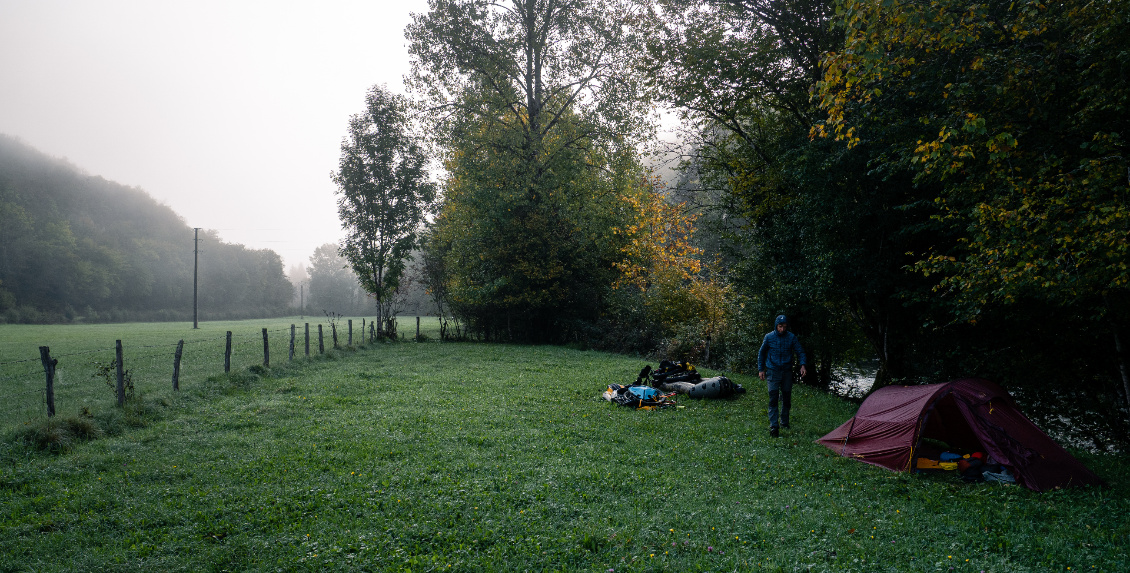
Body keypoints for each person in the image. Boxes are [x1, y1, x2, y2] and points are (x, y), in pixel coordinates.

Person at [757, 314, 807, 438]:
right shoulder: (769, 337)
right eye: (780, 326)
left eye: (784, 327)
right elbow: (762, 353)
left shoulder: (791, 337)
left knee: (786, 398)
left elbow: (800, 351)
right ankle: (774, 426)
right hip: (772, 371)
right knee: (773, 397)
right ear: (776, 326)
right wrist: (761, 369)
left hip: (786, 372)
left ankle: (784, 422)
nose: (782, 329)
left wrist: (803, 365)